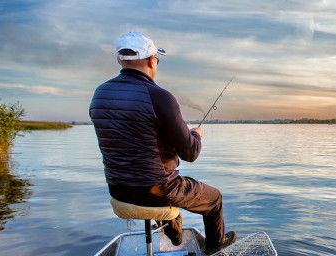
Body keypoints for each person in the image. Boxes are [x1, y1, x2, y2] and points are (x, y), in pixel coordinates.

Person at [89, 31, 236, 254]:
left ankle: (174, 229)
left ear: (121, 60)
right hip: (157, 190)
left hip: (118, 190)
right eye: (157, 60)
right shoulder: (160, 96)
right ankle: (215, 247)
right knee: (214, 198)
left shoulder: (100, 94)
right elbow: (190, 153)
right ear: (151, 60)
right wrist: (196, 135)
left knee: (169, 187)